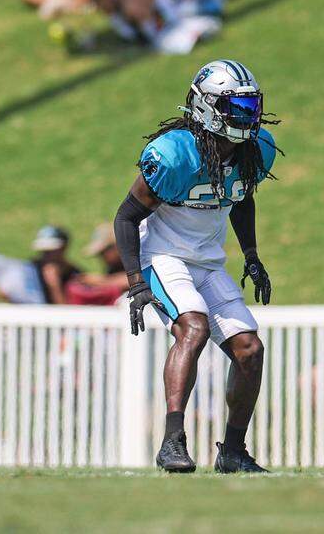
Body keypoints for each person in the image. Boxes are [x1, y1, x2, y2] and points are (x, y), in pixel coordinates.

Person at [112, 59, 280, 473]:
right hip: (163, 256)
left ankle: (234, 452)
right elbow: (126, 217)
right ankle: (172, 442)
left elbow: (241, 198)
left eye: (249, 107)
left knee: (250, 350)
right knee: (194, 326)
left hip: (207, 262)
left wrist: (252, 255)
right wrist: (136, 281)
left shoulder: (253, 151)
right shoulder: (175, 154)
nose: (246, 117)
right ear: (207, 107)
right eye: (235, 107)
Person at [30, 225, 82, 304]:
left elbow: (67, 313)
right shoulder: (32, 271)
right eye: (43, 251)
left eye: (50, 251)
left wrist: (54, 286)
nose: (45, 256)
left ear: (64, 248)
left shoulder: (74, 275)